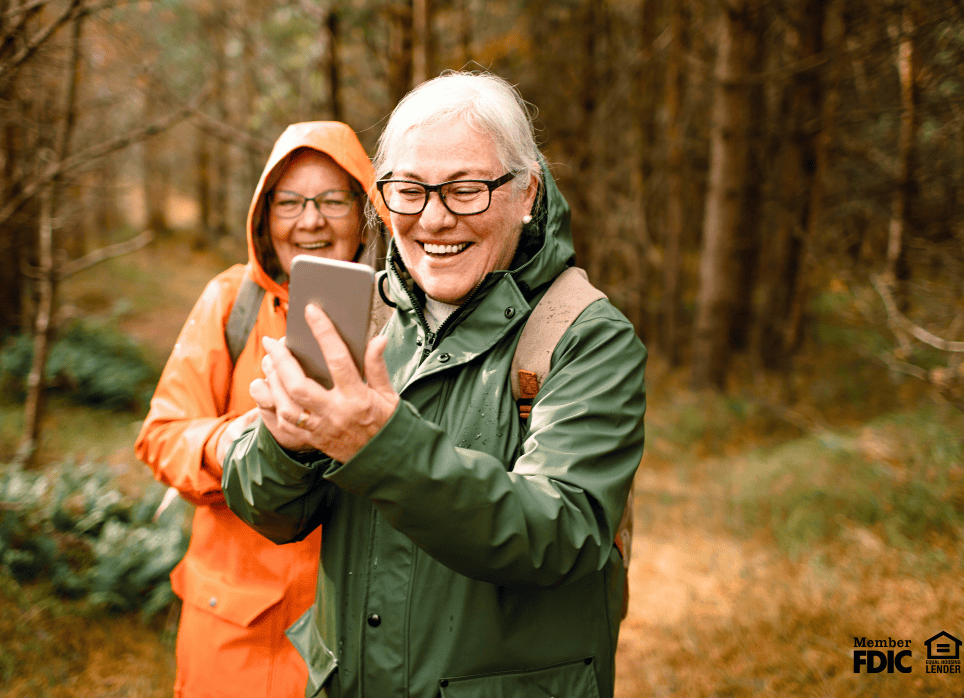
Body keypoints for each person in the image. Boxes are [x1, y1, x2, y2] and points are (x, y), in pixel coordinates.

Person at [222, 72, 646, 698]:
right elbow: (270, 512)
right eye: (409, 191)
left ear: (526, 192)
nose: (435, 219)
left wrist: (379, 444)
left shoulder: (586, 336)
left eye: (466, 190)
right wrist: (287, 446)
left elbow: (562, 534)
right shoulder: (363, 311)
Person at [135, 121, 379, 698]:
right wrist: (245, 442)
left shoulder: (401, 313)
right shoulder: (230, 302)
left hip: (356, 637)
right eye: (290, 202)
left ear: (365, 210)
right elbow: (162, 435)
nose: (310, 220)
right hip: (235, 635)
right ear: (265, 215)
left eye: (331, 200)